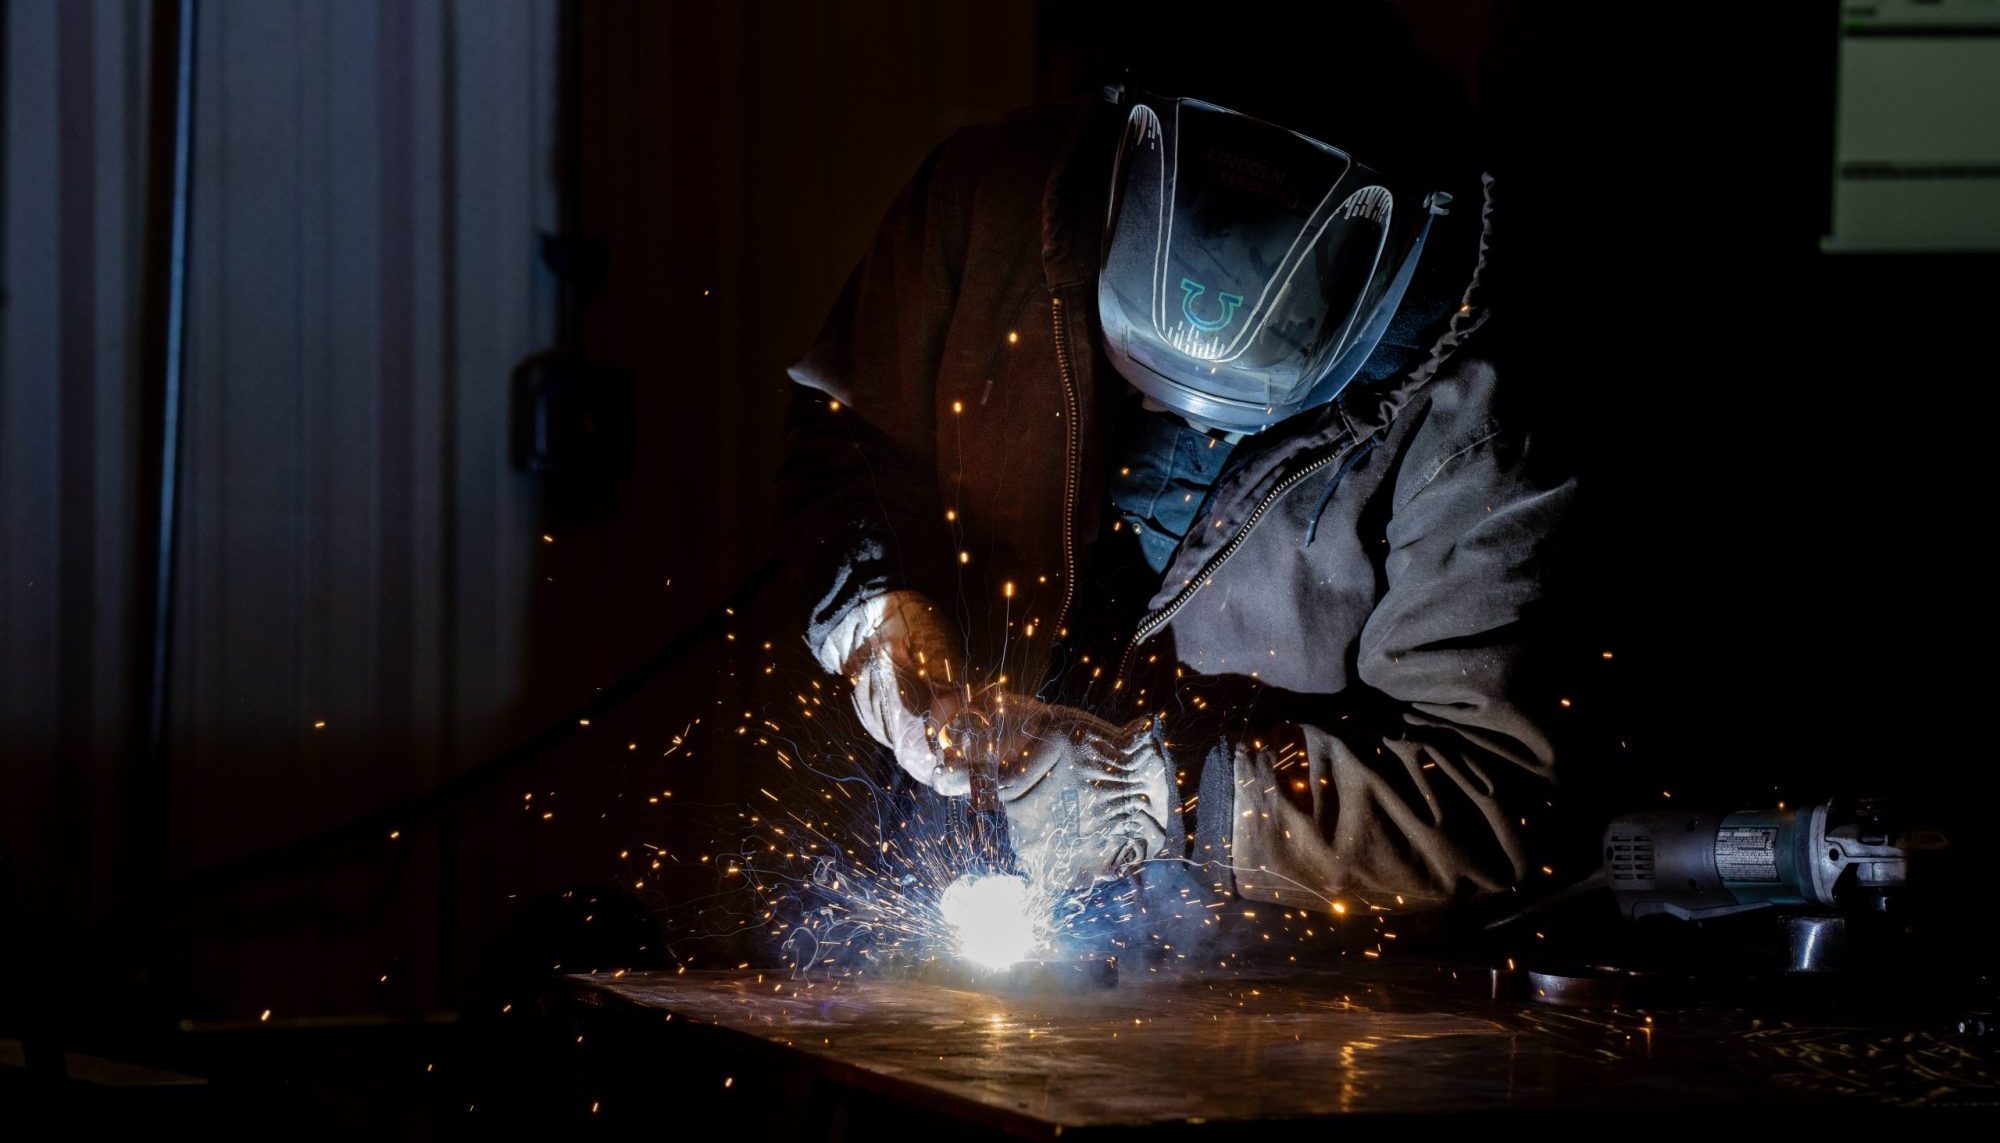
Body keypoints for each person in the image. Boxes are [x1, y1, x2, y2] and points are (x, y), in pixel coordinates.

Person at [778, 4, 1574, 918]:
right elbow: (848, 434)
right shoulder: (993, 202)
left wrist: (1172, 799)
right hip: (940, 866)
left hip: (1257, 972)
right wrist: (885, 630)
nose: (1165, 410)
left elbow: (1497, 791)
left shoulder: (1475, 412)